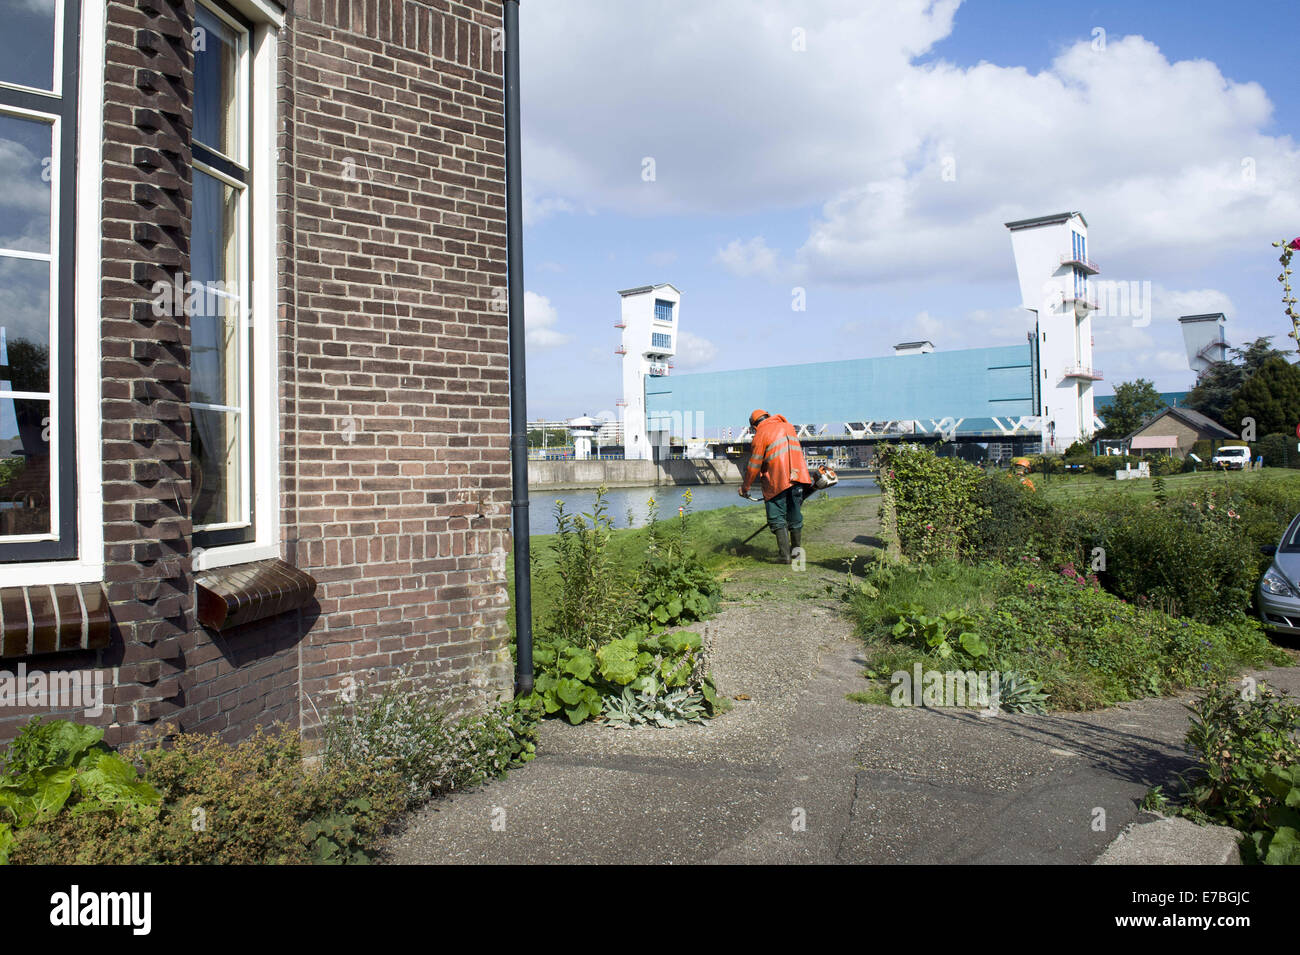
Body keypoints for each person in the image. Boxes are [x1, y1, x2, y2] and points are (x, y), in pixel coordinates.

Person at [738, 409, 812, 563]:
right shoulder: (788, 426)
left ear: (754, 426)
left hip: (777, 480)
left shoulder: (761, 434)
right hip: (797, 477)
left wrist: (745, 488)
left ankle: (784, 557)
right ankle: (796, 554)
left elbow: (754, 466)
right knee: (795, 516)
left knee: (777, 518)